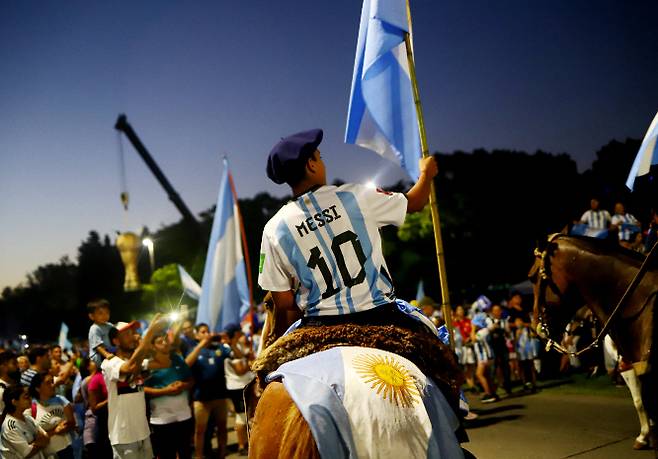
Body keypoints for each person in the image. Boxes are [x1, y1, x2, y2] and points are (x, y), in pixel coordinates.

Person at [258, 128, 438, 335]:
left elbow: (284, 303)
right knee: (436, 348)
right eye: (320, 157)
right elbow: (415, 202)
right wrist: (427, 174)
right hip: (380, 316)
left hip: (318, 328)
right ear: (311, 164)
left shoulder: (273, 228)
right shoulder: (356, 196)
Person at [101, 316, 167, 459]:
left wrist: (145, 344)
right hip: (124, 437)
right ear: (115, 341)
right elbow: (128, 367)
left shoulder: (139, 362)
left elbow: (164, 362)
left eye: (133, 333)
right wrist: (149, 334)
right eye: (127, 334)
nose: (132, 337)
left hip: (143, 431)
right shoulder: (109, 363)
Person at [184, 323, 231, 459]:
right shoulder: (193, 349)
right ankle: (199, 456)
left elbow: (235, 354)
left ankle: (222, 454)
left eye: (207, 332)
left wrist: (228, 341)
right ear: (197, 335)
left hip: (220, 396)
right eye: (203, 332)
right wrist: (201, 345)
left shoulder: (219, 348)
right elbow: (187, 364)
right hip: (201, 399)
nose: (206, 334)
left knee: (222, 428)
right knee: (200, 431)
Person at [144, 334, 194, 459]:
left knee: (185, 452)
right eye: (160, 341)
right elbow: (142, 389)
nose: (165, 343)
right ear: (153, 346)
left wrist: (183, 385)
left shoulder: (177, 358)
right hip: (161, 417)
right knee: (167, 454)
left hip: (183, 415)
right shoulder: (148, 364)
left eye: (166, 340)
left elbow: (191, 380)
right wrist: (165, 391)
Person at [223, 324, 255, 456]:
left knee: (247, 416)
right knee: (241, 417)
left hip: (244, 385)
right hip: (237, 388)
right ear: (235, 333)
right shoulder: (228, 348)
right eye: (239, 331)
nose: (242, 333)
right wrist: (251, 365)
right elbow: (240, 371)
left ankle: (247, 443)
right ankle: (242, 446)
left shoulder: (238, 346)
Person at [28, 372, 77, 459]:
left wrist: (66, 426)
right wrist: (55, 431)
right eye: (48, 383)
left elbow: (72, 423)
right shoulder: (32, 407)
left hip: (68, 448)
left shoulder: (61, 400)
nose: (52, 385)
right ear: (38, 388)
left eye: (52, 382)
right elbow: (34, 437)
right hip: (48, 453)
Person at [0, 385, 50, 459]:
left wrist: (33, 444)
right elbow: (27, 453)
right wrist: (39, 442)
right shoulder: (10, 426)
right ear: (14, 402)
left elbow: (46, 437)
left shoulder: (28, 418)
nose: (30, 399)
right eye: (26, 397)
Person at [87, 299, 115, 366]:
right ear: (91, 316)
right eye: (100, 313)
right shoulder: (94, 328)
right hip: (99, 356)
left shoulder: (109, 325)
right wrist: (107, 355)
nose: (104, 315)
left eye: (107, 313)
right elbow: (98, 347)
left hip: (109, 351)